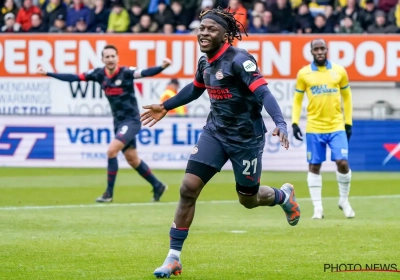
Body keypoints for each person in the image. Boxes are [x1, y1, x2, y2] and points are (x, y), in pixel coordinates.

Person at [140, 7, 301, 278]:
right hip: (215, 133)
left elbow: (264, 93)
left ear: (225, 35)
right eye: (201, 29)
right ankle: (173, 258)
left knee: (248, 200)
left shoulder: (240, 60)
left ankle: (284, 197)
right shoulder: (205, 62)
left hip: (246, 140)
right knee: (188, 188)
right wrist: (165, 106)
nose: (204, 33)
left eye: (211, 29)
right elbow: (195, 88)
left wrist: (280, 122)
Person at [37, 45, 171, 203]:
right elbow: (73, 78)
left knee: (111, 151)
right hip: (118, 122)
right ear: (102, 59)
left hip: (132, 120)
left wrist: (162, 67)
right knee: (132, 159)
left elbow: (145, 72)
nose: (110, 59)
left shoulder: (126, 72)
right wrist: (48, 73)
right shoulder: (98, 74)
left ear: (117, 58)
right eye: (107, 57)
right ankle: (157, 185)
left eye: (113, 56)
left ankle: (108, 194)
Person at [291, 38, 355, 220]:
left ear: (327, 50)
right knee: (314, 166)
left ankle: (344, 200)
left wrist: (348, 123)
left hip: (336, 125)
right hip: (314, 127)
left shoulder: (339, 71)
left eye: (322, 48)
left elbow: (347, 97)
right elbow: (297, 100)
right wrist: (295, 122)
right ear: (311, 52)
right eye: (316, 49)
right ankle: (317, 208)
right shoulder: (304, 74)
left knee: (342, 162)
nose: (319, 51)